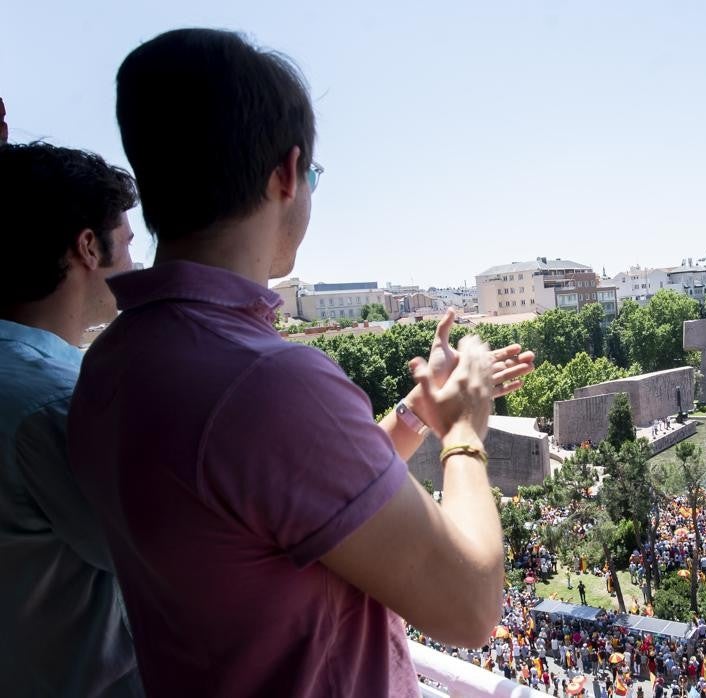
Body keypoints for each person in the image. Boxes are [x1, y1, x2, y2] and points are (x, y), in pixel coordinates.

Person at [68, 29, 533, 696]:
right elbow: (472, 604)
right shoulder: (265, 385)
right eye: (312, 175)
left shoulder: (110, 365)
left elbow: (275, 499)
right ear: (287, 174)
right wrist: (464, 425)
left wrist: (413, 415)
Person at [0, 142, 144, 695]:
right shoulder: (55, 406)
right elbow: (174, 554)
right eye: (126, 245)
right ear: (89, 247)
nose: (133, 266)